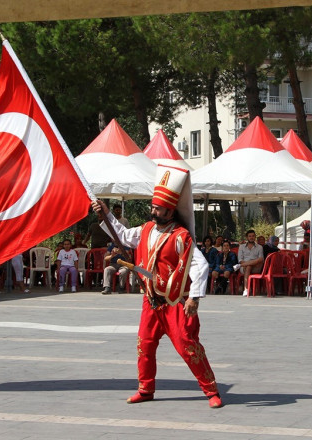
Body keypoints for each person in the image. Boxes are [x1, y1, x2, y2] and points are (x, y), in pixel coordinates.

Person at [93, 165, 221, 408]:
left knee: (187, 346)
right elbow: (121, 235)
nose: (153, 210)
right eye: (152, 206)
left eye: (157, 208)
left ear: (170, 210)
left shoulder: (182, 236)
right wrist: (106, 215)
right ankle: (146, 389)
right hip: (150, 300)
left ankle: (211, 391)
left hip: (175, 302)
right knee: (145, 344)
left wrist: (194, 297)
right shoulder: (146, 229)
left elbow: (200, 266)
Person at [237, 229, 264, 297]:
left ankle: (246, 289)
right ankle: (246, 289)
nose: (251, 237)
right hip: (244, 267)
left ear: (255, 237)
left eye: (253, 236)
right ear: (247, 237)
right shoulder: (242, 246)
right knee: (248, 267)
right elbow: (240, 259)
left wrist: (250, 263)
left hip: (256, 267)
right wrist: (248, 264)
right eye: (250, 236)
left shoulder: (259, 247)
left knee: (257, 260)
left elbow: (261, 259)